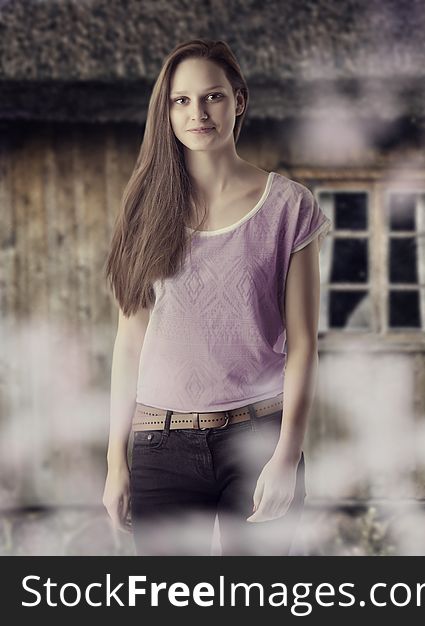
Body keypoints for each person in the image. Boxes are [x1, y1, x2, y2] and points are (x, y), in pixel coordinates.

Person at [100, 39, 332, 555]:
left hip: (259, 439)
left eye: (213, 97)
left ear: (239, 100)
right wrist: (117, 461)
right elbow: (129, 341)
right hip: (159, 444)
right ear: (166, 111)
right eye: (181, 101)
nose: (197, 113)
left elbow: (303, 346)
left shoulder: (289, 206)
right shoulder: (144, 209)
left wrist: (286, 457)